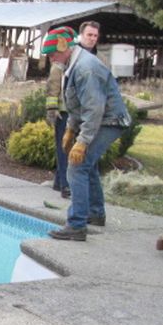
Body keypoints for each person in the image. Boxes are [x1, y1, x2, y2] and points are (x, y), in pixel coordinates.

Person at [42, 27, 131, 241]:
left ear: (64, 47)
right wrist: (71, 128)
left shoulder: (85, 69)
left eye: (53, 53)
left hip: (109, 121)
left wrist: (82, 141)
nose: (51, 58)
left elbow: (93, 110)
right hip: (100, 119)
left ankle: (76, 225)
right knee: (86, 165)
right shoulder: (73, 65)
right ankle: (95, 213)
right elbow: (77, 106)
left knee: (77, 165)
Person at [44, 27, 74, 199]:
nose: (52, 58)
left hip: (66, 112)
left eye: (53, 54)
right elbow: (52, 90)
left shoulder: (69, 64)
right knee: (64, 149)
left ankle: (58, 182)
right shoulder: (58, 67)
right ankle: (65, 184)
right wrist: (52, 110)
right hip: (63, 113)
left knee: (63, 148)